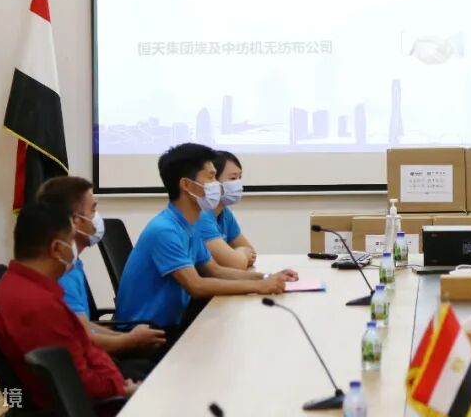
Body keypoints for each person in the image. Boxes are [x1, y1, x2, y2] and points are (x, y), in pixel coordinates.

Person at [113, 143, 298, 332]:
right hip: (143, 333)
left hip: (172, 325)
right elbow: (196, 286)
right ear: (186, 184)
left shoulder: (189, 224)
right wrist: (259, 286)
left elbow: (215, 271)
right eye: (210, 178)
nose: (217, 185)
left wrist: (267, 277)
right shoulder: (165, 230)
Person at [0, 201, 136, 409]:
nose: (75, 249)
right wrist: (125, 390)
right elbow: (78, 383)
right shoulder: (41, 306)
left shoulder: (17, 286)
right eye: (71, 240)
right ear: (56, 248)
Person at [36, 176, 165, 377]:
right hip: (86, 370)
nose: (97, 217)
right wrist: (130, 341)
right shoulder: (63, 273)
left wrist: (128, 338)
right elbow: (82, 338)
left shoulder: (72, 263)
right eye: (93, 209)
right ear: (76, 221)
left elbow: (84, 326)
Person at [196, 150, 258, 270]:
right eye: (233, 178)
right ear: (213, 180)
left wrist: (237, 255)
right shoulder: (201, 215)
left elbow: (251, 253)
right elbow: (235, 263)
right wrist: (239, 254)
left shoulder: (224, 212)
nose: (238, 183)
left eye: (240, 178)